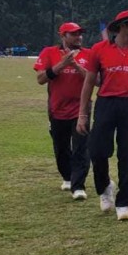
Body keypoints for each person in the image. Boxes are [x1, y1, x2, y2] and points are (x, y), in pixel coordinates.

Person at [77, 10, 128, 221]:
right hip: (106, 104)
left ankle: (124, 202)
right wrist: (82, 114)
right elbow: (88, 82)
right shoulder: (99, 50)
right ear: (123, 25)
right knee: (97, 151)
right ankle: (104, 187)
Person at [34, 22, 92, 200]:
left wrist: (74, 64)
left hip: (81, 110)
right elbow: (41, 79)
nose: (78, 37)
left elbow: (94, 79)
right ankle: (67, 176)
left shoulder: (88, 54)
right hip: (57, 109)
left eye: (80, 34)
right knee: (61, 148)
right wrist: (61, 65)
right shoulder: (49, 52)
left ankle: (78, 186)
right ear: (63, 36)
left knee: (81, 147)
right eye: (74, 34)